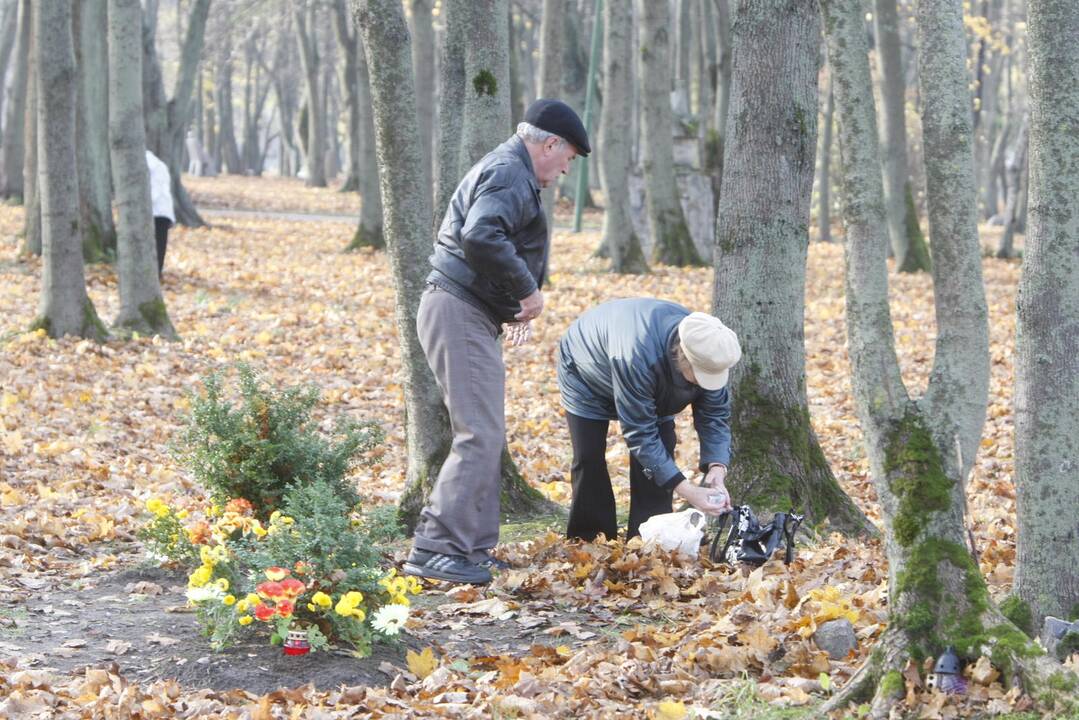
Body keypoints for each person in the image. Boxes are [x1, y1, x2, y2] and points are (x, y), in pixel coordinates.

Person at [402, 99, 590, 585]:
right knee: (479, 434)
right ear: (549, 144)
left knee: (486, 432)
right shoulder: (511, 173)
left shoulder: (510, 171)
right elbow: (481, 236)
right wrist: (526, 290)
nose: (565, 169)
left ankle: (472, 548)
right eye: (567, 157)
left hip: (469, 311)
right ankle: (437, 548)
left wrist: (508, 303)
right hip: (457, 308)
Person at [557, 298, 741, 541]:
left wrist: (717, 466)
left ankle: (648, 535)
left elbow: (714, 415)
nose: (705, 383)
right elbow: (641, 434)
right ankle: (590, 536)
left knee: (661, 449)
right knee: (589, 455)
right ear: (682, 357)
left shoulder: (710, 351)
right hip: (586, 371)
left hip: (649, 375)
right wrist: (688, 491)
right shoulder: (637, 356)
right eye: (701, 376)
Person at [145, 149, 175, 280]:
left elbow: (154, 193)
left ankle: (156, 272)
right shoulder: (159, 164)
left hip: (156, 210)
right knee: (160, 243)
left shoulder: (148, 165)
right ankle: (157, 271)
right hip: (164, 210)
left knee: (158, 243)